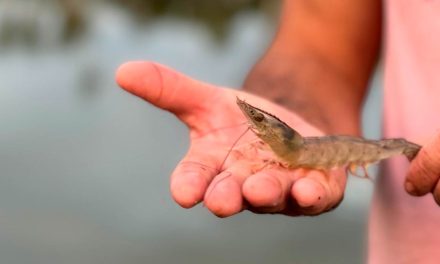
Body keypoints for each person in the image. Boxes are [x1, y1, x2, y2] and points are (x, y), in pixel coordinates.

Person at [116, 1, 440, 263]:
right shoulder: (283, 143)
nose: (256, 127)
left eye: (259, 123)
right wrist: (287, 106)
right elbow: (319, 47)